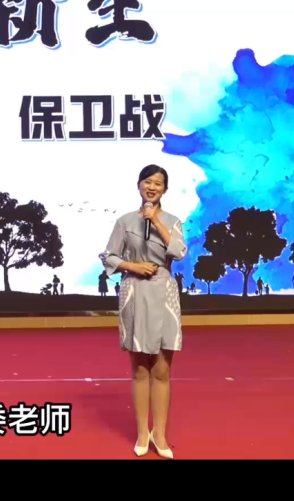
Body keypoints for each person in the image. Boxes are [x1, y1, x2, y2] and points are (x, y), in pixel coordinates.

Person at [101, 164, 188, 459]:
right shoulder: (125, 221)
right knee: (140, 369)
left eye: (158, 183)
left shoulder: (173, 222)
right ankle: (141, 432)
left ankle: (159, 434)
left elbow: (179, 252)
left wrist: (156, 221)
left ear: (165, 190)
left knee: (162, 370)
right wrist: (133, 266)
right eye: (147, 182)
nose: (152, 187)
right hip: (135, 291)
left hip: (164, 293)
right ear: (139, 185)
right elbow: (109, 256)